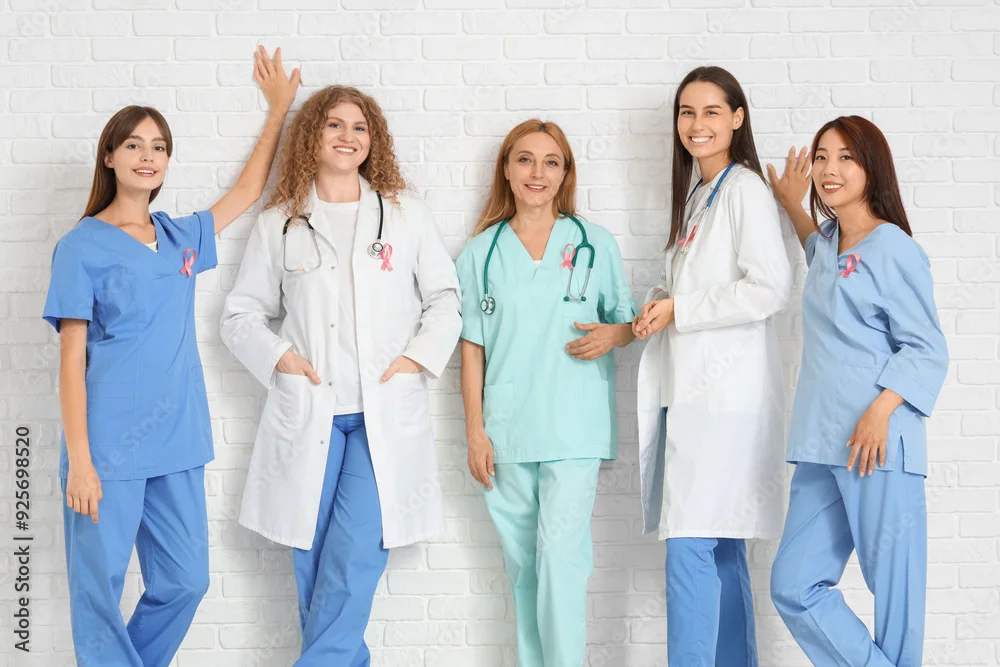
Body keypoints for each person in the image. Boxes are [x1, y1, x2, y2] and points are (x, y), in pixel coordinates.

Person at [42, 47, 299, 667]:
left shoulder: (181, 237)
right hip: (107, 447)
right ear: (109, 156)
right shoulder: (80, 247)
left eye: (158, 146)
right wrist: (80, 460)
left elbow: (248, 190)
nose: (147, 154)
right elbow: (71, 359)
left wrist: (278, 111)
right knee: (99, 593)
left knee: (186, 581)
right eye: (133, 144)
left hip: (178, 441)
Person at [220, 85, 462, 666]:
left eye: (359, 127)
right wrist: (282, 357)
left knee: (354, 557)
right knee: (311, 562)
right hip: (311, 411)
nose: (347, 136)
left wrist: (415, 359)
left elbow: (446, 300)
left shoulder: (403, 214)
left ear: (373, 140)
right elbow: (239, 315)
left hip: (382, 413)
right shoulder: (280, 222)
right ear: (312, 136)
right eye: (334, 124)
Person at [767, 116, 948, 667]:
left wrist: (880, 410)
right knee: (793, 584)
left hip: (877, 444)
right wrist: (791, 202)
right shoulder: (827, 244)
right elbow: (823, 260)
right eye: (822, 156)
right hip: (821, 445)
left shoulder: (893, 248)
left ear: (872, 167)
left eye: (846, 157)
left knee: (894, 597)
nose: (830, 168)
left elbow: (927, 348)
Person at [457, 119, 637, 667]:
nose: (538, 172)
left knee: (560, 559)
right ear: (506, 169)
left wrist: (614, 335)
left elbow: (628, 322)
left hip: (573, 426)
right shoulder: (480, 253)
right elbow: (472, 348)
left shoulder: (593, 243)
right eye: (525, 159)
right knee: (525, 571)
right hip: (506, 430)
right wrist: (475, 431)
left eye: (551, 162)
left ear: (565, 174)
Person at [631, 66, 792, 667]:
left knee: (690, 544)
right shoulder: (702, 193)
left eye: (711, 112)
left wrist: (682, 309)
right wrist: (660, 305)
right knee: (721, 547)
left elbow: (770, 288)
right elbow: (694, 285)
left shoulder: (744, 189)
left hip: (725, 400)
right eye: (687, 112)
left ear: (737, 118)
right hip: (698, 394)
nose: (696, 125)